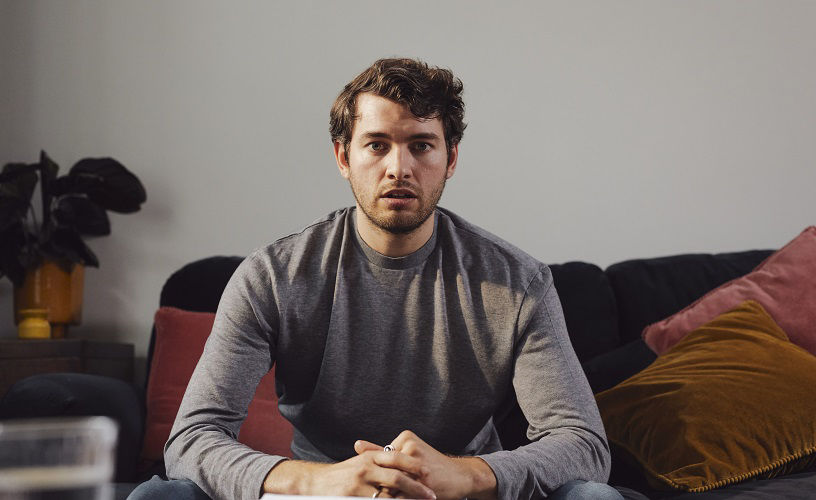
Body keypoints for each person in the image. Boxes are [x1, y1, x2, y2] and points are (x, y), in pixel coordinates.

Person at [129, 58, 622, 500]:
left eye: (421, 145)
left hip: (459, 495)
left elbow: (582, 445)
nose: (398, 168)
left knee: (593, 498)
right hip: (320, 495)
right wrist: (318, 479)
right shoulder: (272, 278)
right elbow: (194, 436)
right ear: (344, 157)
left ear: (450, 159)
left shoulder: (519, 283)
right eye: (377, 145)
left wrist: (465, 474)